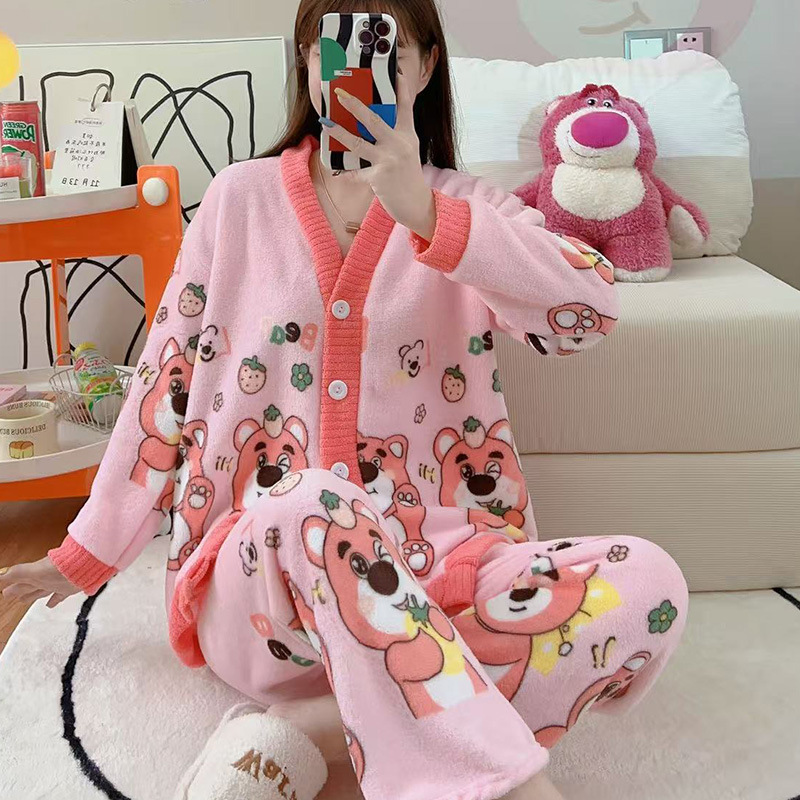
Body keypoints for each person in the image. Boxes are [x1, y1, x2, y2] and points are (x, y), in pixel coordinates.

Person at [0, 1, 687, 798]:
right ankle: (497, 778)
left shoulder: (469, 210)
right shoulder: (239, 199)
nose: (359, 69)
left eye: (387, 48)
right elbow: (166, 380)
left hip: (437, 580)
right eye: (337, 46)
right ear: (309, 60)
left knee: (649, 585)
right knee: (308, 499)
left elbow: (591, 311)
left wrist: (425, 212)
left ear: (426, 66)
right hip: (267, 589)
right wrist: (85, 552)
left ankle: (313, 729)